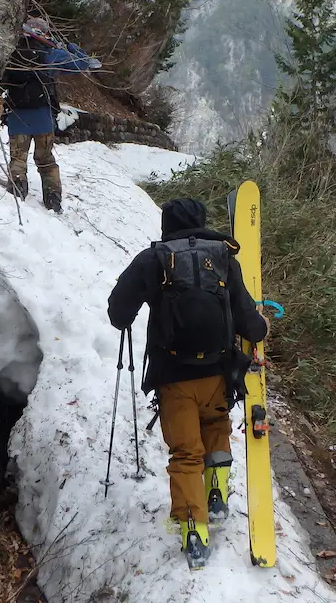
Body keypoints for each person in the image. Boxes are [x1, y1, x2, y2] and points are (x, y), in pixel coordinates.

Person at [106, 198, 269, 569]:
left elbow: (118, 313)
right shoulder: (224, 257)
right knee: (215, 428)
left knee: (185, 453)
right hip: (218, 374)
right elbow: (249, 322)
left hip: (174, 376)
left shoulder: (155, 259)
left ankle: (194, 534)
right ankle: (216, 493)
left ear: (167, 225)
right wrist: (262, 325)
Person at [0, 17, 99, 213]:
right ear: (44, 33)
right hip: (42, 116)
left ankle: (17, 192)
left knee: (18, 158)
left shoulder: (11, 50)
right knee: (46, 160)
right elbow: (83, 63)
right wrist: (72, 46)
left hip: (16, 114)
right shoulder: (52, 53)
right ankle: (53, 198)